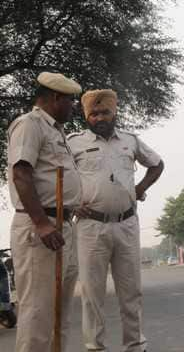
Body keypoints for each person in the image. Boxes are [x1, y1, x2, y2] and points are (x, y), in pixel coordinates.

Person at [68, 89, 164, 352]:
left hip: (127, 224)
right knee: (92, 294)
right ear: (86, 116)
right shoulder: (73, 143)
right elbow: (59, 176)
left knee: (131, 292)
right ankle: (95, 347)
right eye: (94, 113)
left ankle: (135, 345)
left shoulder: (130, 141)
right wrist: (73, 203)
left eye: (105, 112)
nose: (99, 117)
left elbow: (157, 164)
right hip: (90, 227)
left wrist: (139, 189)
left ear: (115, 112)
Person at [8, 72, 83, 350]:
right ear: (55, 98)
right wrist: (41, 223)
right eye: (70, 101)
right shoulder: (30, 124)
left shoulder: (55, 130)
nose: (73, 106)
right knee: (38, 313)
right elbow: (21, 174)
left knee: (59, 314)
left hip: (62, 225)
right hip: (40, 228)